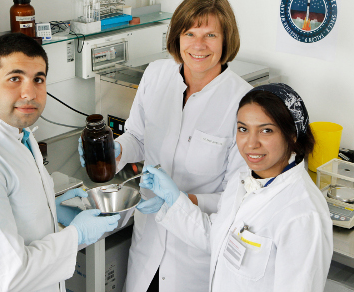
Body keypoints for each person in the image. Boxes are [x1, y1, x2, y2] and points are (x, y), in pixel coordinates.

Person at [79, 0, 252, 291]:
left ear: (226, 41)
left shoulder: (243, 103)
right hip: (148, 246)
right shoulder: (156, 76)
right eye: (189, 33)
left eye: (210, 35)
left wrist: (179, 201)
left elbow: (238, 199)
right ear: (177, 37)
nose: (198, 45)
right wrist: (116, 150)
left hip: (195, 257)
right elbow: (138, 137)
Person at [0, 33, 120, 292]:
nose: (29, 93)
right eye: (15, 78)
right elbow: (10, 276)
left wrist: (50, 204)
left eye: (38, 79)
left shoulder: (17, 135)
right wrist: (76, 236)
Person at [140, 83, 333, 292]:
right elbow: (217, 238)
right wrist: (175, 201)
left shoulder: (302, 215)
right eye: (243, 129)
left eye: (266, 131)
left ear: (292, 135)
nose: (251, 143)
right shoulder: (242, 181)